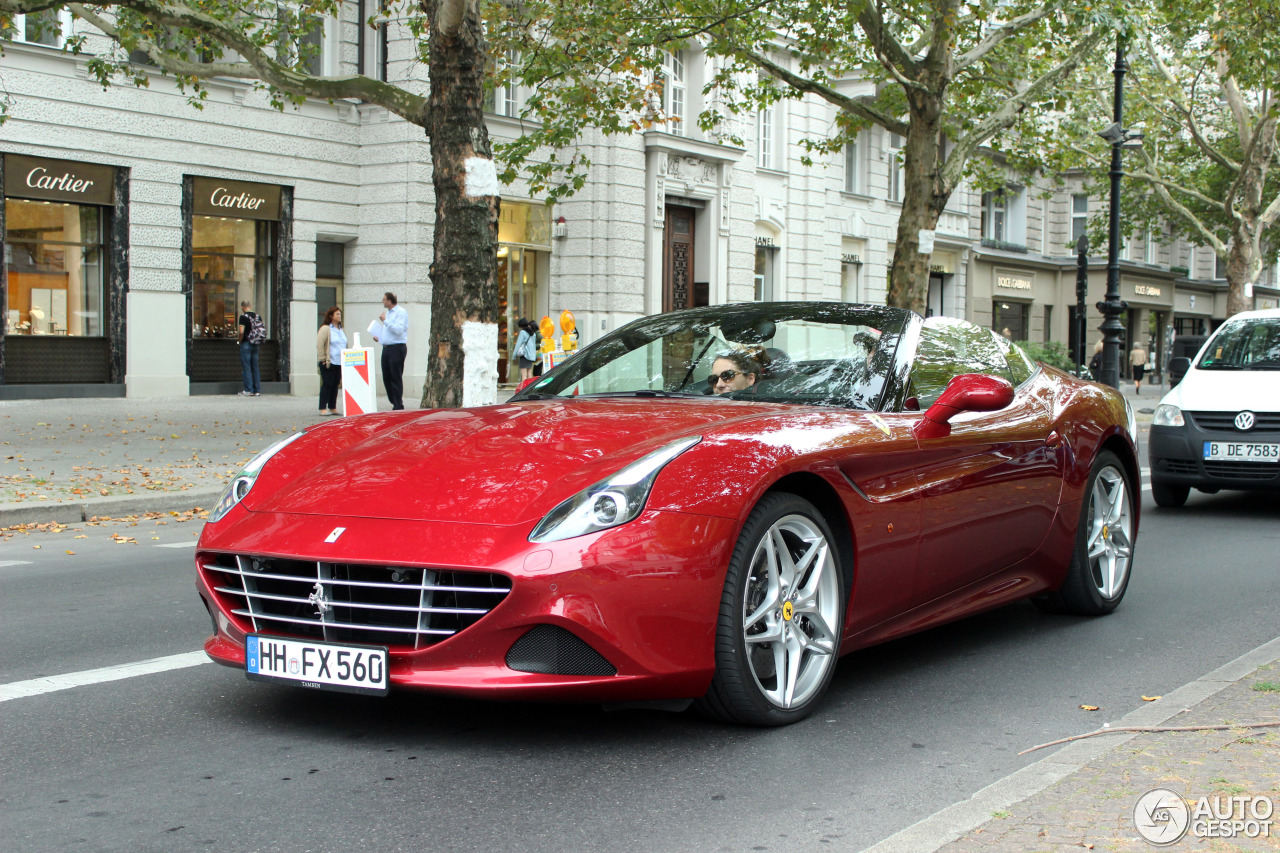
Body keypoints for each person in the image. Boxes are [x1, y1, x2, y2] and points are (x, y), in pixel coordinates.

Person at [372, 291, 408, 410]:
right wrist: (380, 337)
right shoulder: (389, 314)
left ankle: (398, 404)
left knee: (395, 376)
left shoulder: (400, 312)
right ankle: (394, 401)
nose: (382, 301)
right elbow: (388, 331)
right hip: (386, 347)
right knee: (386, 376)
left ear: (389, 301)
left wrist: (385, 321)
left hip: (397, 348)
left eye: (384, 299)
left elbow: (398, 330)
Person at [316, 307, 346, 416]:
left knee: (335, 384)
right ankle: (323, 407)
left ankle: (333, 407)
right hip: (329, 361)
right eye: (337, 314)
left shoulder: (341, 329)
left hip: (339, 362)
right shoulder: (326, 329)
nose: (339, 316)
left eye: (340, 314)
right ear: (331, 316)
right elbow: (320, 344)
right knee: (327, 384)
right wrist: (322, 358)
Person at [237, 300, 263, 397]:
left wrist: (239, 340)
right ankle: (257, 390)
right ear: (250, 305)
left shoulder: (243, 317)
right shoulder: (257, 316)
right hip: (256, 343)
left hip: (246, 343)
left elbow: (241, 331)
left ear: (243, 307)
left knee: (246, 367)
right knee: (255, 367)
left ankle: (248, 390)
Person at [513, 318, 539, 383]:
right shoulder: (533, 333)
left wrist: (514, 355)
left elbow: (518, 344)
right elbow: (533, 346)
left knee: (524, 375)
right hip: (531, 356)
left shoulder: (523, 332)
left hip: (524, 355)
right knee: (529, 375)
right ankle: (529, 389)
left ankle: (524, 390)